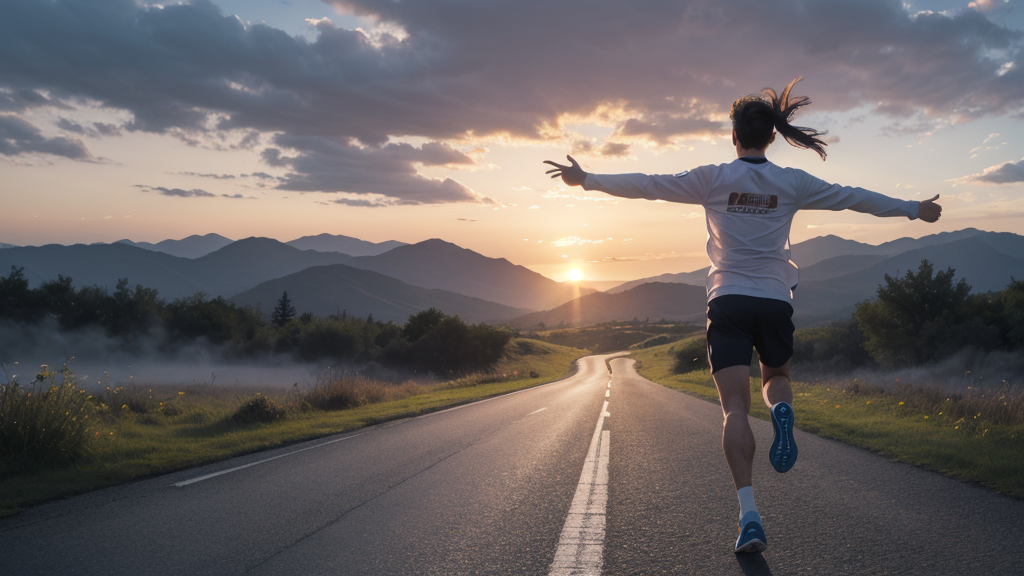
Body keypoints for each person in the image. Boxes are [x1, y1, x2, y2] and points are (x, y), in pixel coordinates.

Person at [543, 77, 942, 554]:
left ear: (734, 136)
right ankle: (781, 410)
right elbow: (852, 196)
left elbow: (649, 186)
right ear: (772, 137)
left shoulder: (713, 178)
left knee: (734, 407)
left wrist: (586, 179)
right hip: (775, 299)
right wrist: (913, 209)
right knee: (776, 377)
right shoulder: (792, 182)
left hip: (728, 299)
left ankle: (749, 516)